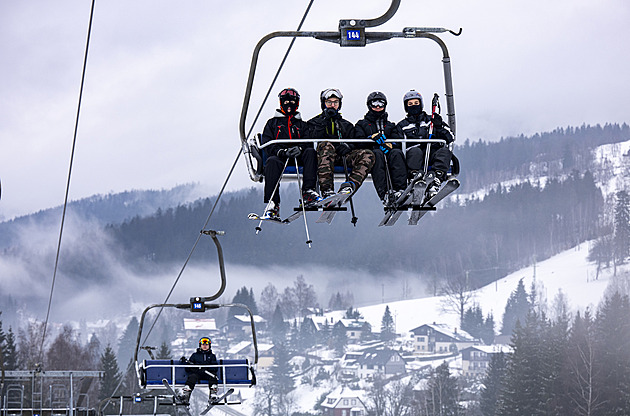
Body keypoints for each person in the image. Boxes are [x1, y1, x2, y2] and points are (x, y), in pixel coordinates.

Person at [260, 87, 321, 220]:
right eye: (286, 102)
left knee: (310, 152)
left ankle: (308, 192)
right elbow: (267, 143)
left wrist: (300, 148)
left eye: (292, 102)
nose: (289, 105)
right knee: (272, 162)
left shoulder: (302, 124)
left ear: (297, 103)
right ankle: (273, 203)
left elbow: (308, 141)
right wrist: (282, 152)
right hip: (280, 156)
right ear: (281, 103)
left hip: (298, 156)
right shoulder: (272, 123)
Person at [307, 88, 375, 197]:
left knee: (368, 154)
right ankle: (327, 190)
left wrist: (348, 146)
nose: (332, 105)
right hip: (322, 158)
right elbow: (310, 139)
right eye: (329, 102)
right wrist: (324, 121)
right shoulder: (314, 123)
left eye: (335, 102)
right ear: (323, 104)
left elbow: (355, 141)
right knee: (326, 145)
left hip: (341, 157)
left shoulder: (345, 124)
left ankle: (350, 186)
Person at [397, 90, 453, 197]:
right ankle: (415, 177)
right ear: (406, 107)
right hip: (414, 155)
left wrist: (439, 126)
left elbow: (450, 137)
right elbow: (399, 144)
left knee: (444, 152)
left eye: (416, 103)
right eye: (410, 104)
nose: (414, 106)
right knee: (416, 151)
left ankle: (436, 179)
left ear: (421, 104)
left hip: (432, 152)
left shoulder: (431, 121)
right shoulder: (402, 126)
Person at [354, 91, 407, 205]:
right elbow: (358, 141)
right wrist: (371, 139)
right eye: (374, 103)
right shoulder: (362, 124)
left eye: (381, 103)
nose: (378, 106)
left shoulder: (390, 125)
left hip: (389, 153)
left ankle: (401, 190)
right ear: (369, 105)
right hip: (374, 154)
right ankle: (385, 193)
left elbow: (397, 139)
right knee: (377, 154)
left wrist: (390, 145)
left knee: (396, 153)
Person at [178, 336, 219, 403]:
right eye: (203, 345)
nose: (205, 346)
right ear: (200, 345)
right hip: (197, 374)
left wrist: (206, 368)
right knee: (192, 377)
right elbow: (188, 368)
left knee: (213, 377)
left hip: (207, 374)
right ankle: (186, 395)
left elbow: (215, 367)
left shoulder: (212, 356)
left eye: (206, 345)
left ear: (209, 346)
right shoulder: (195, 355)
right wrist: (195, 369)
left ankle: (213, 395)